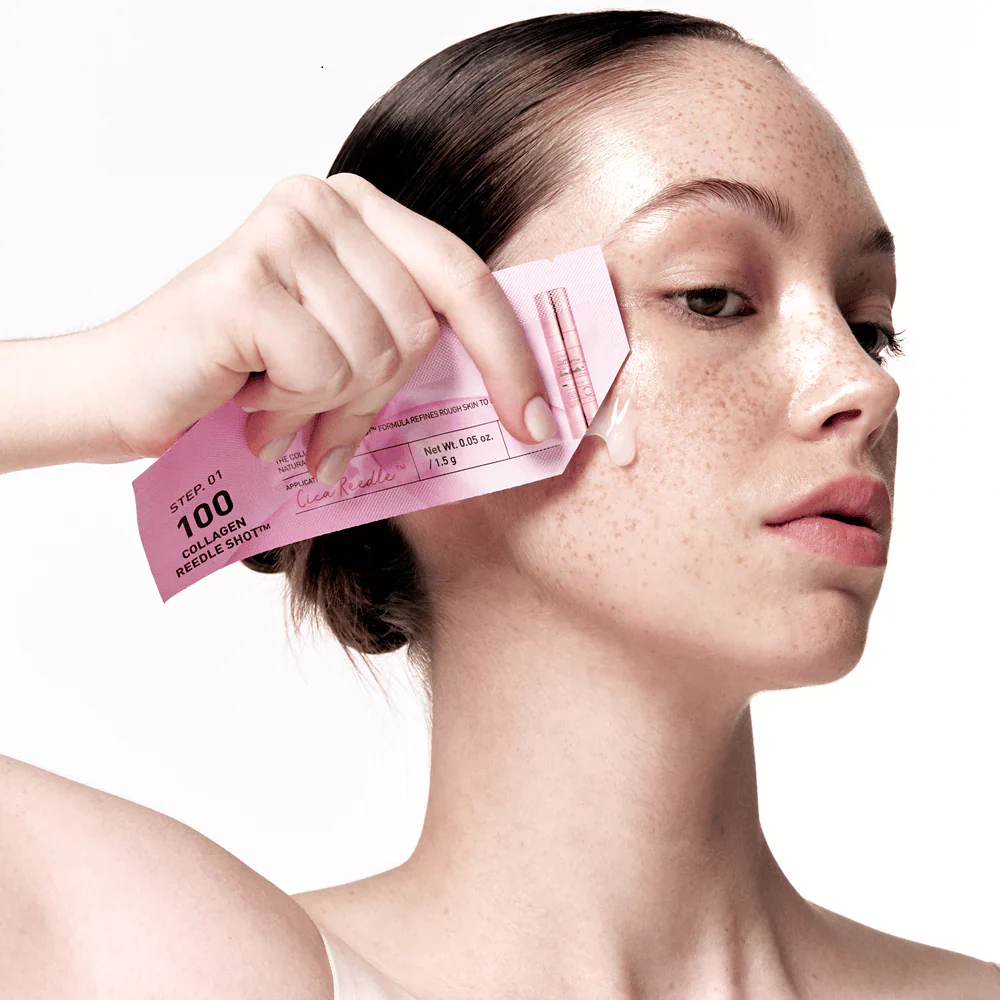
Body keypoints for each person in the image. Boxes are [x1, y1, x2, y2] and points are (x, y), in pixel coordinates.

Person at [0, 9, 996, 999]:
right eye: (710, 295)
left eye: (870, 325)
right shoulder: (198, 972)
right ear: (411, 399)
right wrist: (93, 387)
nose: (863, 384)